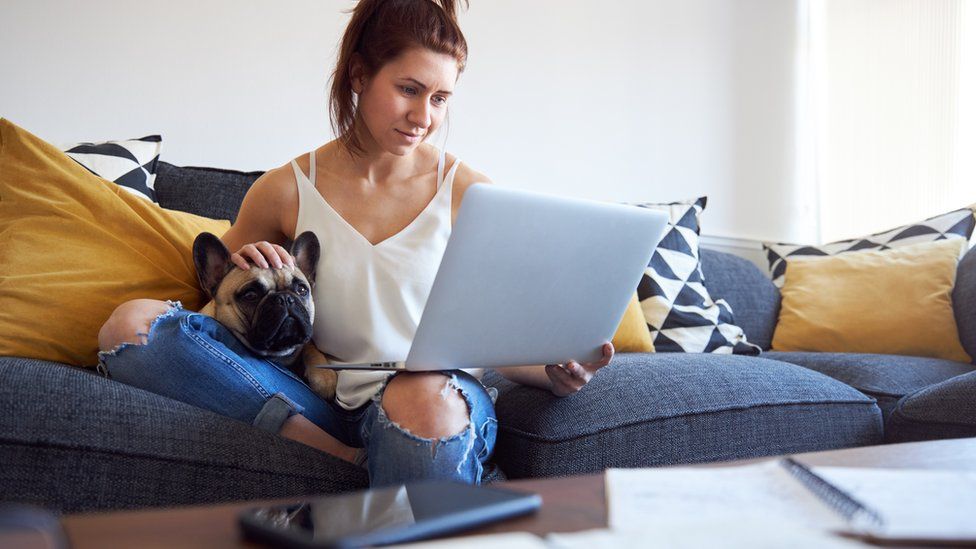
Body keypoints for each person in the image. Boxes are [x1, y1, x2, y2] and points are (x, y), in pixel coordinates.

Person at [96, 0, 614, 487]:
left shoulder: (467, 192)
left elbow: (496, 337)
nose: (424, 117)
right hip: (315, 402)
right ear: (360, 76)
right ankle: (331, 451)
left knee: (420, 397)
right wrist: (246, 263)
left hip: (432, 398)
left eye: (440, 99)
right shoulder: (284, 188)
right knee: (130, 326)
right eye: (409, 90)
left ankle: (425, 471)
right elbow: (212, 304)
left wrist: (553, 372)